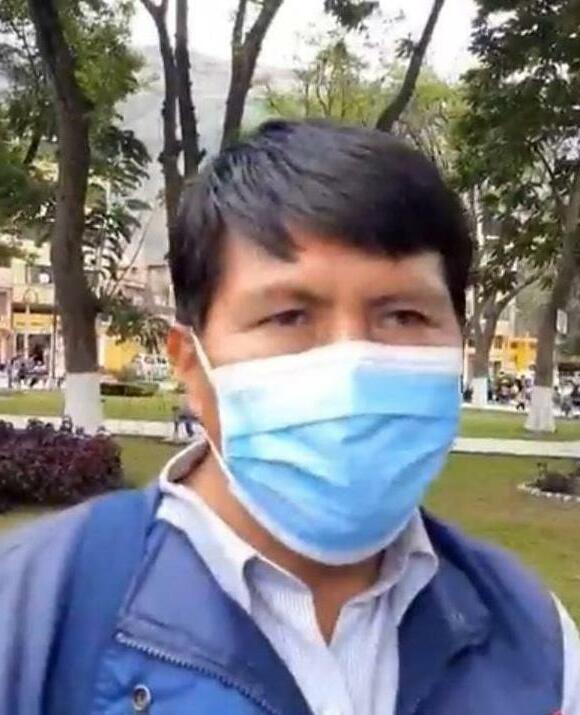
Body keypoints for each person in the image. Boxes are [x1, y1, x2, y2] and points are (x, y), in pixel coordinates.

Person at [0, 120, 578, 714]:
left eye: (404, 316)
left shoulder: (536, 643)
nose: (351, 365)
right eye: (289, 316)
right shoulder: (32, 618)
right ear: (190, 364)